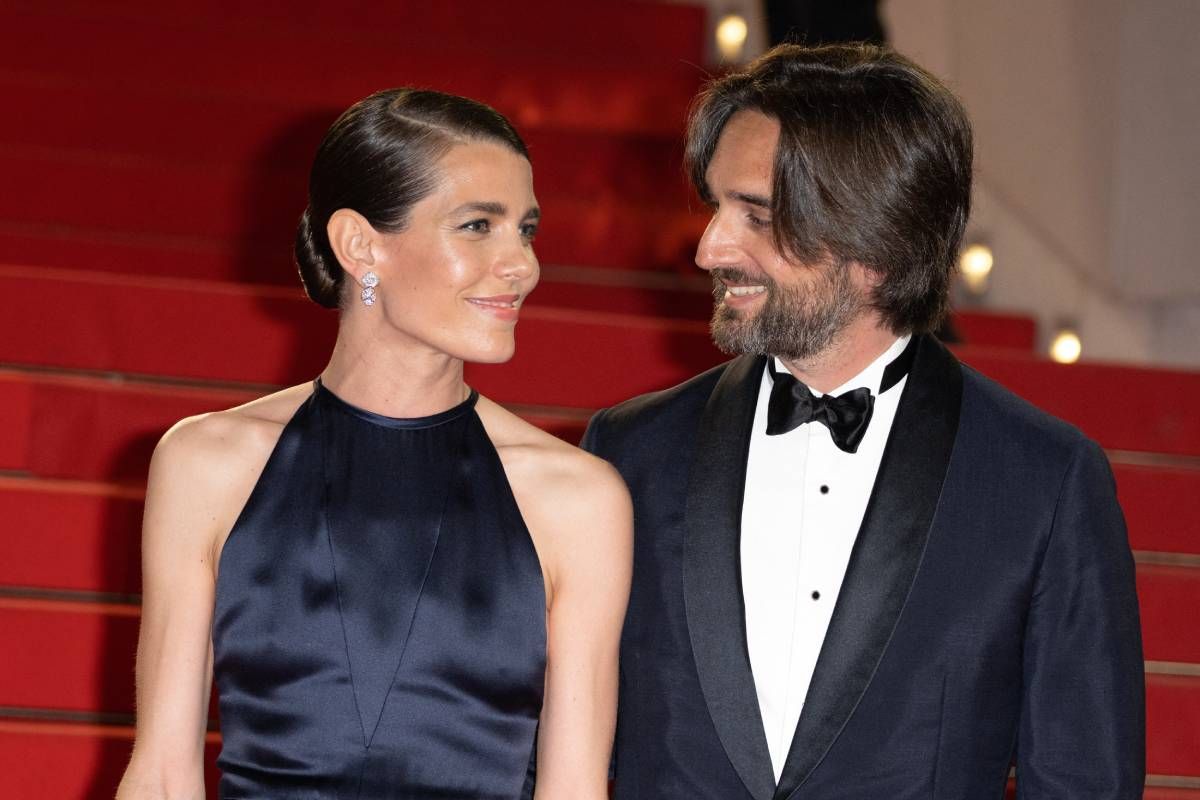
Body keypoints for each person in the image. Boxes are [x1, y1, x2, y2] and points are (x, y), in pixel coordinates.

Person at [583, 44, 1144, 799]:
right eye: (716, 207)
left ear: (877, 242)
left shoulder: (1043, 481)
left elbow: (1085, 784)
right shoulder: (629, 452)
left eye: (757, 215)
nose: (711, 245)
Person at [116, 89, 631, 800]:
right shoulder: (208, 463)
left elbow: (574, 789)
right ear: (361, 245)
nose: (523, 265)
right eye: (479, 226)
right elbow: (163, 775)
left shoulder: (577, 499)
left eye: (527, 230)